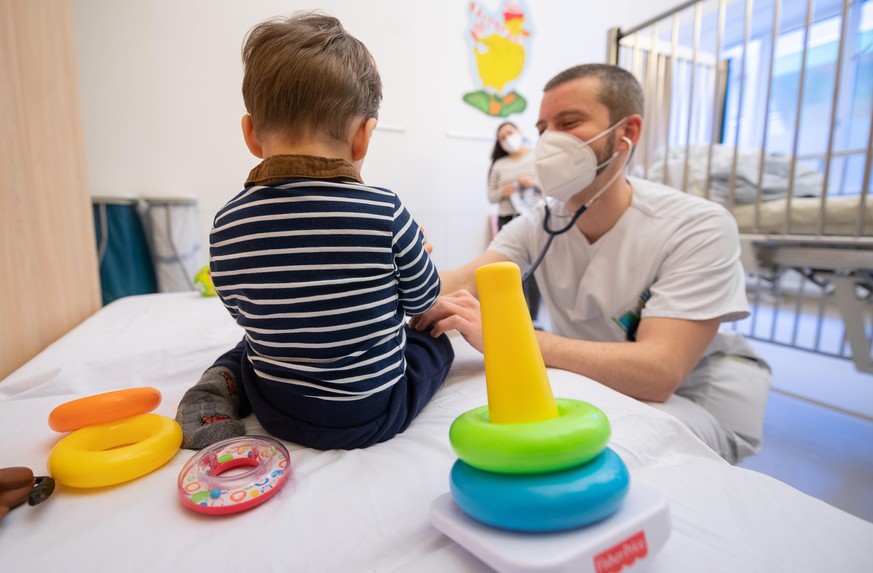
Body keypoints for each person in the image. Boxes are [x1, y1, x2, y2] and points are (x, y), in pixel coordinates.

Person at [412, 64, 771, 464]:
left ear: (627, 133)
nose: (549, 140)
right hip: (598, 379)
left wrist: (507, 336)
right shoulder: (539, 222)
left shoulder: (697, 226)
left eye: (569, 122)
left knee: (593, 448)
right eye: (544, 127)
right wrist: (394, 261)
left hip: (695, 395)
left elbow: (659, 373)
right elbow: (461, 281)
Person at [175, 12, 454, 451]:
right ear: (364, 137)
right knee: (434, 343)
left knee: (253, 345)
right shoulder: (386, 209)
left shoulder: (227, 222)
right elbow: (423, 300)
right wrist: (414, 251)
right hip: (373, 412)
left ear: (251, 133)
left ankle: (223, 382)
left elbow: (243, 311)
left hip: (278, 409)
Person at [487, 121, 542, 321]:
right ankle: (516, 314)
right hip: (507, 219)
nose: (507, 138)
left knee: (534, 270)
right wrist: (502, 192)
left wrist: (534, 184)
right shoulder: (499, 165)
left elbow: (551, 186)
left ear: (519, 131)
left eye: (509, 132)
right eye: (502, 137)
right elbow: (491, 197)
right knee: (511, 269)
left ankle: (533, 317)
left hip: (534, 219)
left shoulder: (537, 156)